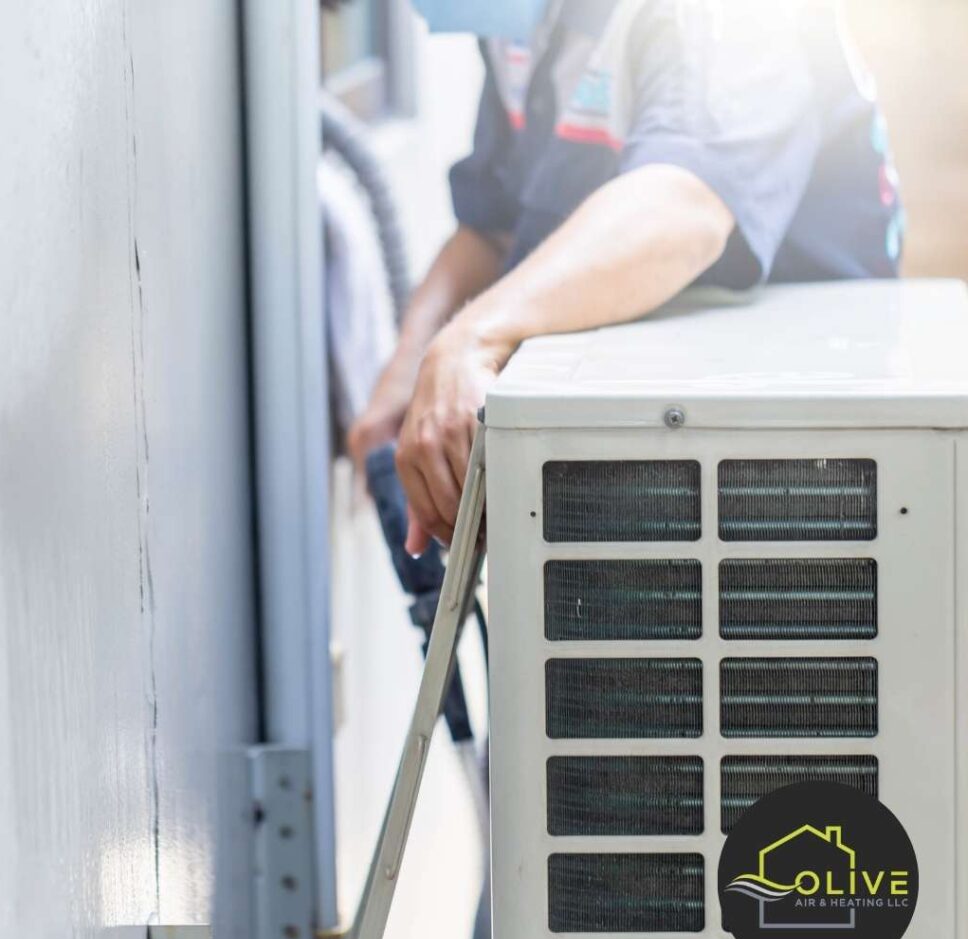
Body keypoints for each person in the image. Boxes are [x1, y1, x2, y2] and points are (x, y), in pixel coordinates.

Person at [348, 0, 904, 562]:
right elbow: (493, 229)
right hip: (641, 447)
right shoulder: (521, 26)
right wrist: (411, 368)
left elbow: (684, 207)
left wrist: (470, 340)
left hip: (795, 461)